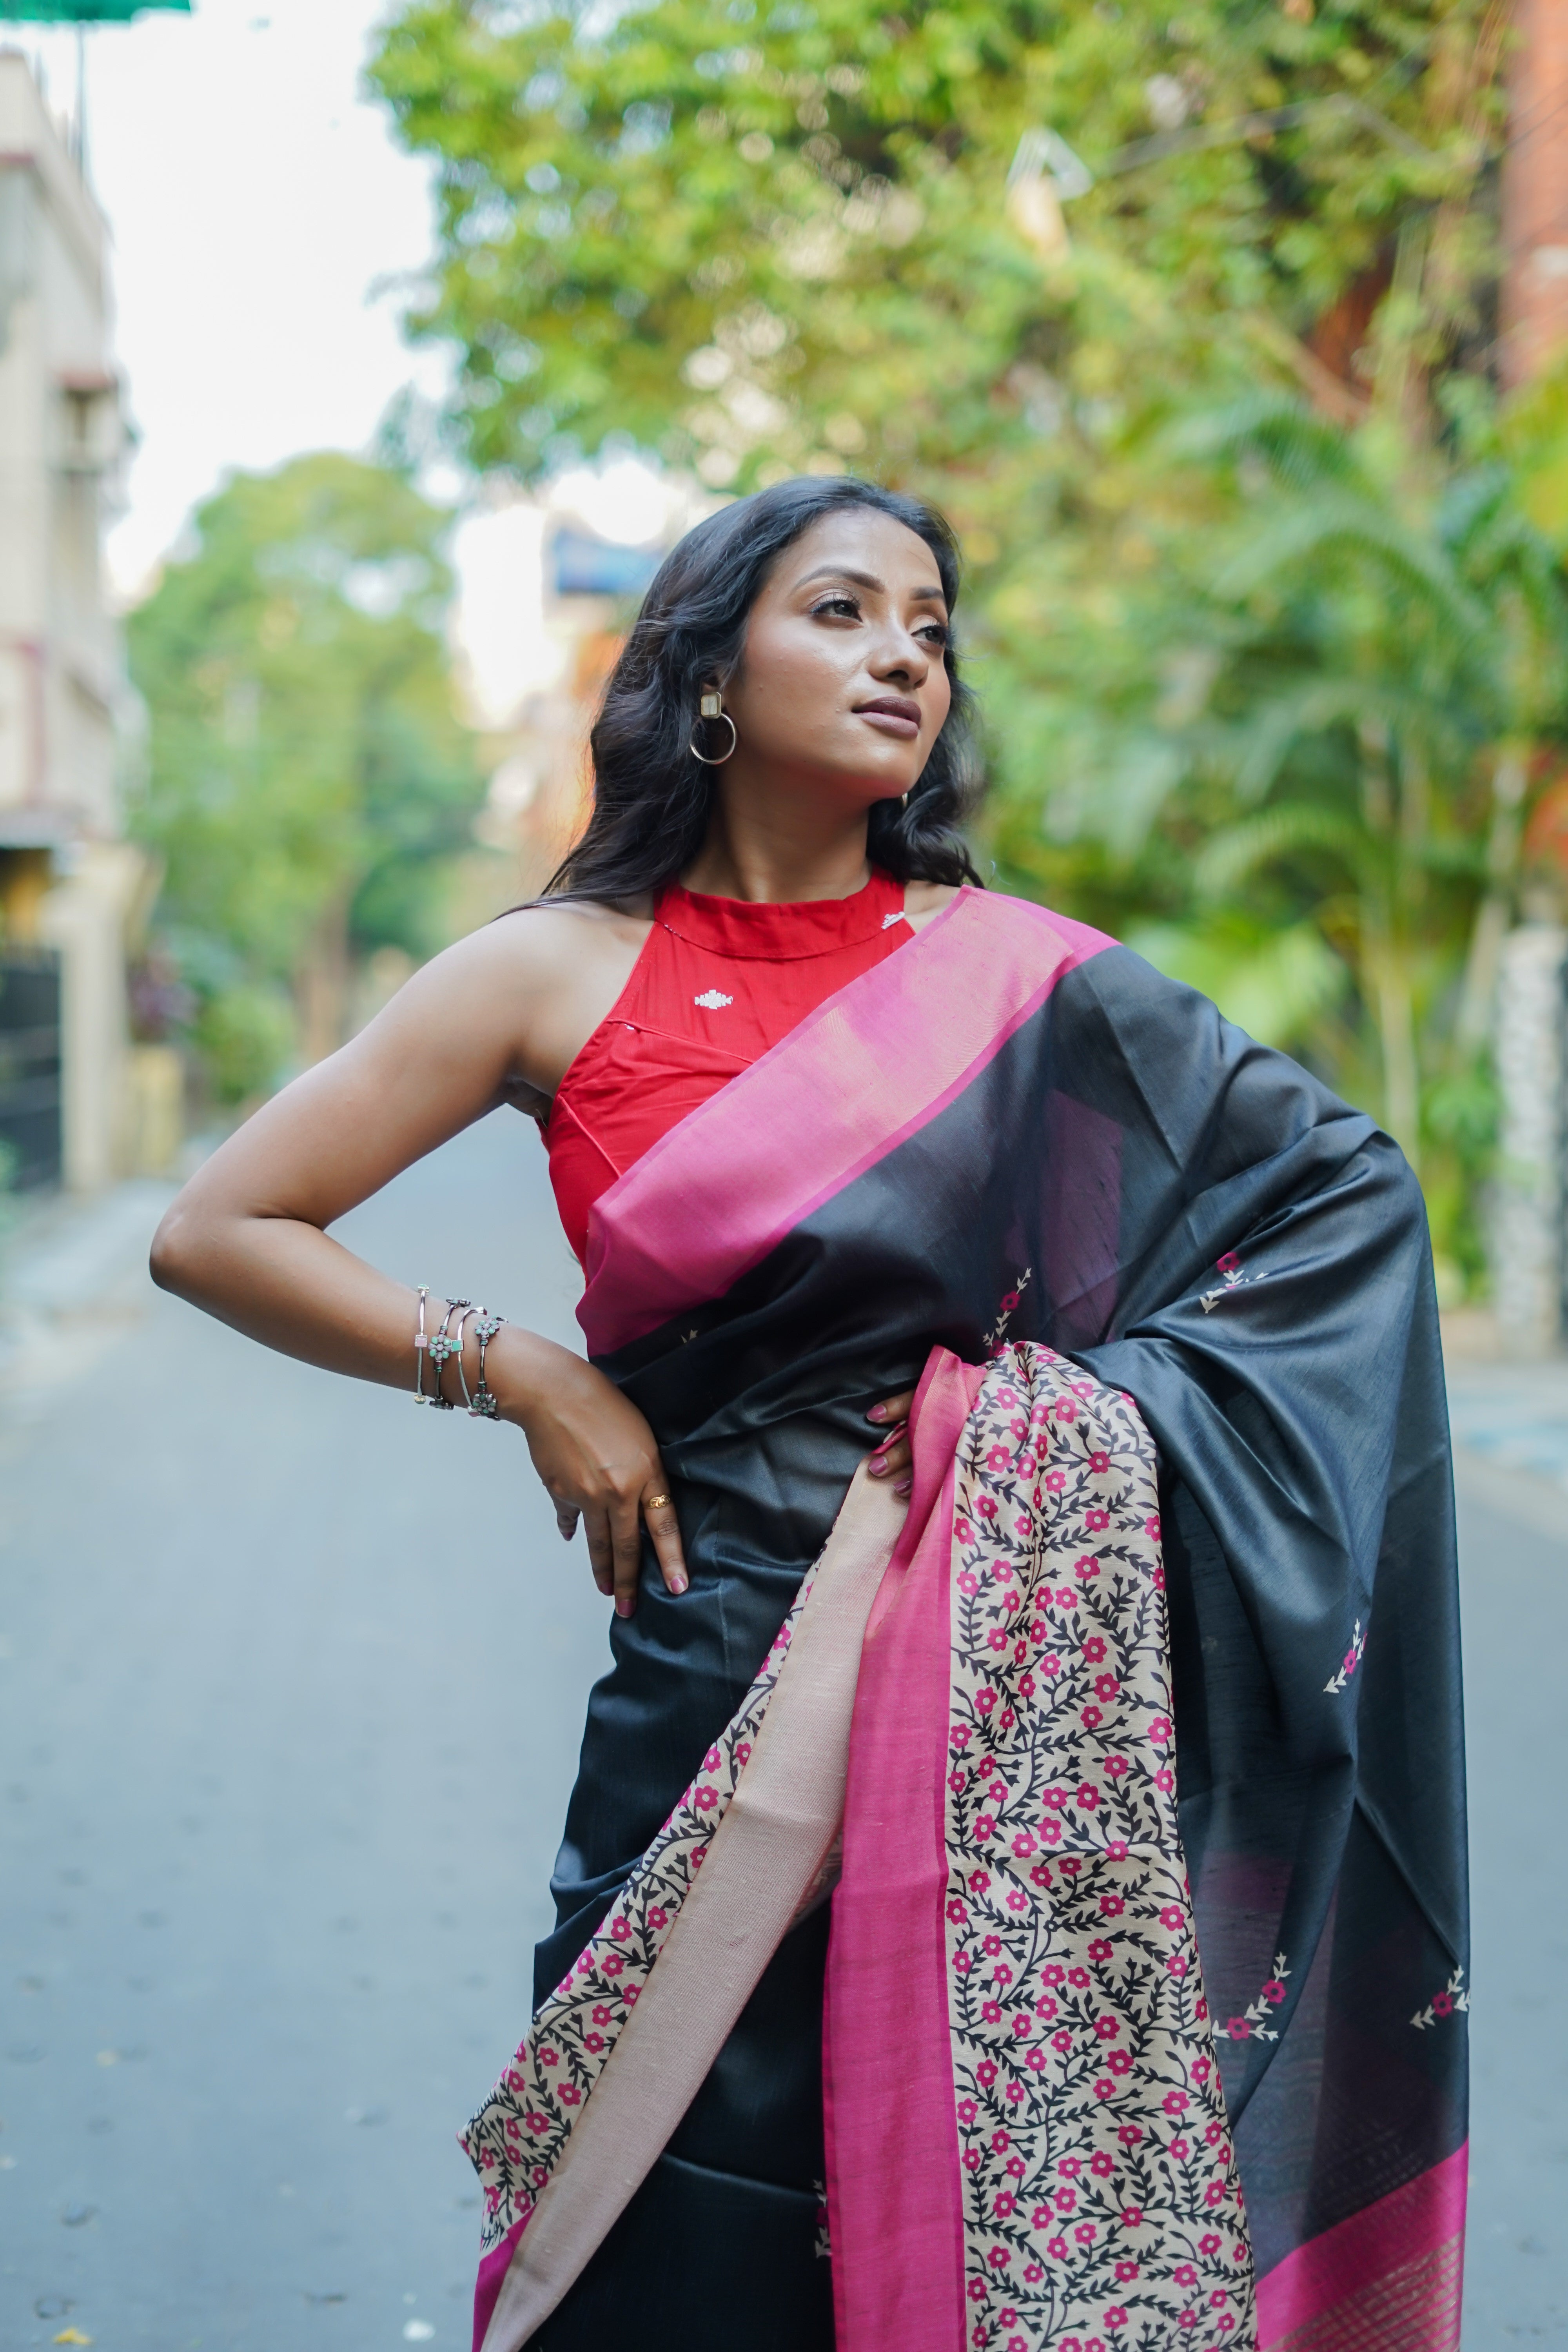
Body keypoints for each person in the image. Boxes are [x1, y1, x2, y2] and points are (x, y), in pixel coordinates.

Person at [152, 477, 1467, 2352]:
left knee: (947, 2208)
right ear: (706, 672)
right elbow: (221, 1228)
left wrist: (1034, 1447)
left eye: (929, 626)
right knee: (669, 2214)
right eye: (843, 611)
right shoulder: (554, 970)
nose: (902, 658)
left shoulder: (1011, 977)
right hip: (706, 1664)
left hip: (995, 1686)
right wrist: (521, 1370)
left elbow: (1340, 1205)